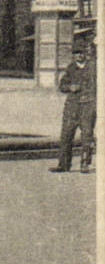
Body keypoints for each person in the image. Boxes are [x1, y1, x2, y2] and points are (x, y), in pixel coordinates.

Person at [52, 39, 95, 174]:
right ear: (73, 55)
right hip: (72, 106)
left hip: (88, 106)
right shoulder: (71, 68)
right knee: (66, 135)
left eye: (81, 53)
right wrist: (70, 87)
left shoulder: (93, 67)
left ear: (86, 53)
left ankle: (85, 163)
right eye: (76, 53)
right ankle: (64, 164)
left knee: (87, 135)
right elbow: (62, 86)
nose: (79, 55)